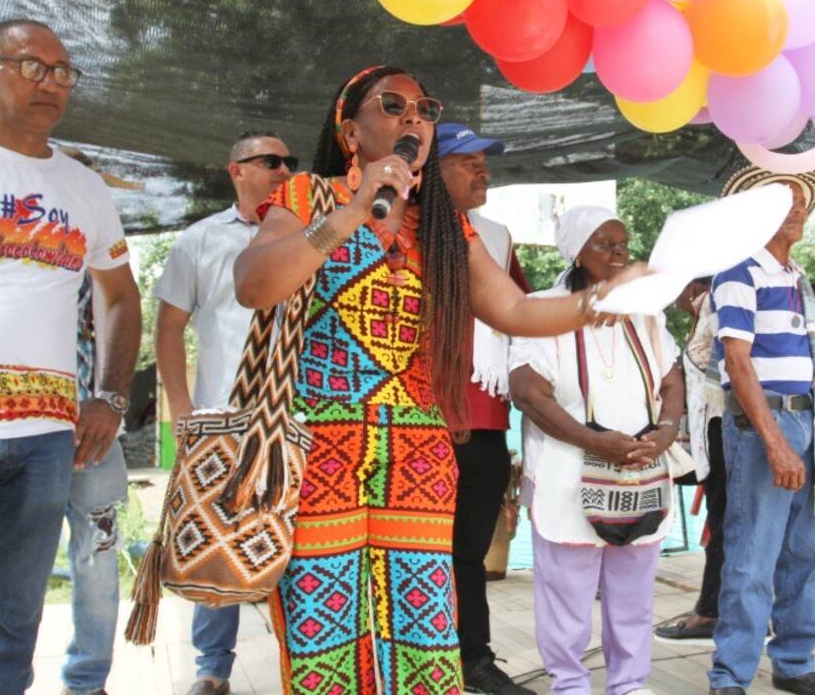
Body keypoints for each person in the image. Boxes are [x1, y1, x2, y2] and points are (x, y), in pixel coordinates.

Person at [232, 65, 642, 695]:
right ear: (350, 130)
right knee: (325, 621)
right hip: (323, 449)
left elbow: (515, 311)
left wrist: (598, 302)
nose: (414, 119)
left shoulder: (447, 226)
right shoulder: (305, 198)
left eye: (424, 109)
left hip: (421, 450)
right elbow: (254, 285)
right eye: (393, 105)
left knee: (423, 626)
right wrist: (349, 212)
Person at [0, 19, 141, 695]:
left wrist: (110, 398)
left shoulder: (85, 188)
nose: (53, 83)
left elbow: (121, 298)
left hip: (45, 439)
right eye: (33, 66)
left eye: (64, 71)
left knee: (13, 623)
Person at [510, 206, 684, 695]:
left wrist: (665, 433)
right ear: (576, 250)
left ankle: (629, 684)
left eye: (623, 245)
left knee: (633, 591)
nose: (619, 254)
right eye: (605, 244)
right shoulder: (543, 307)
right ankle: (569, 685)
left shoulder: (646, 310)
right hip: (568, 472)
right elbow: (527, 391)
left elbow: (672, 380)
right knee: (566, 593)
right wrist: (593, 442)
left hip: (638, 471)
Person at [154, 131, 297, 695]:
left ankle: (301, 659)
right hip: (225, 418)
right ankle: (213, 669)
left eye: (289, 162)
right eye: (269, 161)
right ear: (236, 170)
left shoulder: (317, 234)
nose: (283, 170)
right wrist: (183, 409)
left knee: (300, 542)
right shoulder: (199, 240)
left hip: (301, 413)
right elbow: (168, 327)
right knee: (220, 542)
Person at [707, 171, 815, 695]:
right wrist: (775, 441)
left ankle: (794, 662)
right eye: (783, 203)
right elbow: (737, 361)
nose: (798, 211)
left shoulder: (795, 276)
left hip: (807, 419)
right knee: (753, 555)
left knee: (804, 552)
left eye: (800, 203)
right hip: (766, 421)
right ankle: (731, 676)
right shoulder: (740, 272)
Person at [435, 121, 533, 695]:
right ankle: (415, 661)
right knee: (410, 550)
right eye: (467, 160)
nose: (482, 170)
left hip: (485, 420)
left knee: (469, 551)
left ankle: (474, 660)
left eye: (484, 161)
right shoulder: (395, 226)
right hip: (416, 419)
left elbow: (521, 315)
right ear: (431, 168)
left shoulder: (495, 235)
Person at [58, 146, 141, 695]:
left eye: (93, 185)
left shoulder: (105, 260)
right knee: (8, 555)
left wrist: (108, 402)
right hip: (11, 423)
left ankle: (88, 682)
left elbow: (123, 310)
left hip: (95, 430)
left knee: (97, 556)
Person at [655, 276, 725, 646]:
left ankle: (712, 611)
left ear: (692, 286)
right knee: (724, 523)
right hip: (711, 431)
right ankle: (717, 607)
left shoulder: (714, 307)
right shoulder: (702, 315)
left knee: (725, 524)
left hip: (723, 428)